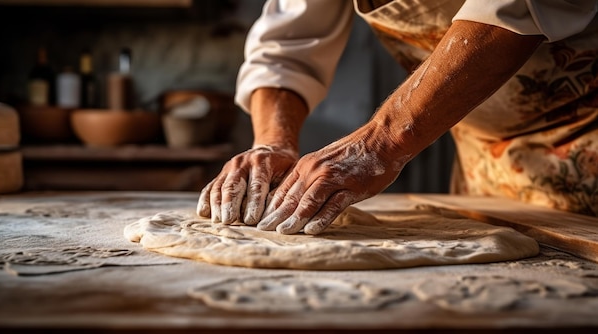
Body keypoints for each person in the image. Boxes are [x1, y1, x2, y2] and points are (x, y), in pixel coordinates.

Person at [198, 0, 598, 234]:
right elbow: (286, 47)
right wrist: (273, 140)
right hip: (486, 163)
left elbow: (519, 8)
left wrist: (380, 142)